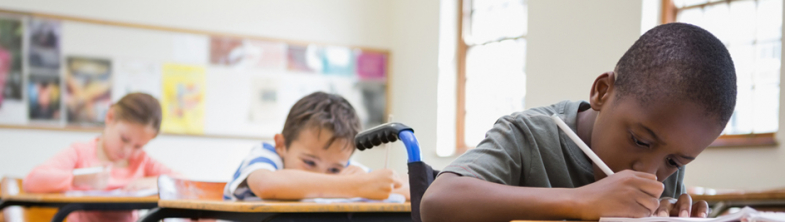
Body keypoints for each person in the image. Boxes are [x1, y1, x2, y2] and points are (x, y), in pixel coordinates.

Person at [421, 23, 737, 222]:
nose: (649, 173)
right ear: (602, 92)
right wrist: (583, 201)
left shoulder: (665, 168)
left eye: (673, 161)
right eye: (640, 141)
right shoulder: (527, 136)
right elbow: (438, 201)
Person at [224, 91, 409, 201]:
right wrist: (355, 185)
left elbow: (406, 186)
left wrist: (377, 183)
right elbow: (265, 184)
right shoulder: (267, 155)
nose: (321, 176)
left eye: (334, 170)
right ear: (281, 145)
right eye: (309, 163)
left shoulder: (347, 172)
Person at [24, 93, 176, 222]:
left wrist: (154, 182)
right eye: (124, 139)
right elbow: (32, 181)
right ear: (110, 117)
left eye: (138, 146)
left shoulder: (141, 161)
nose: (128, 151)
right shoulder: (80, 152)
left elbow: (183, 183)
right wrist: (78, 178)